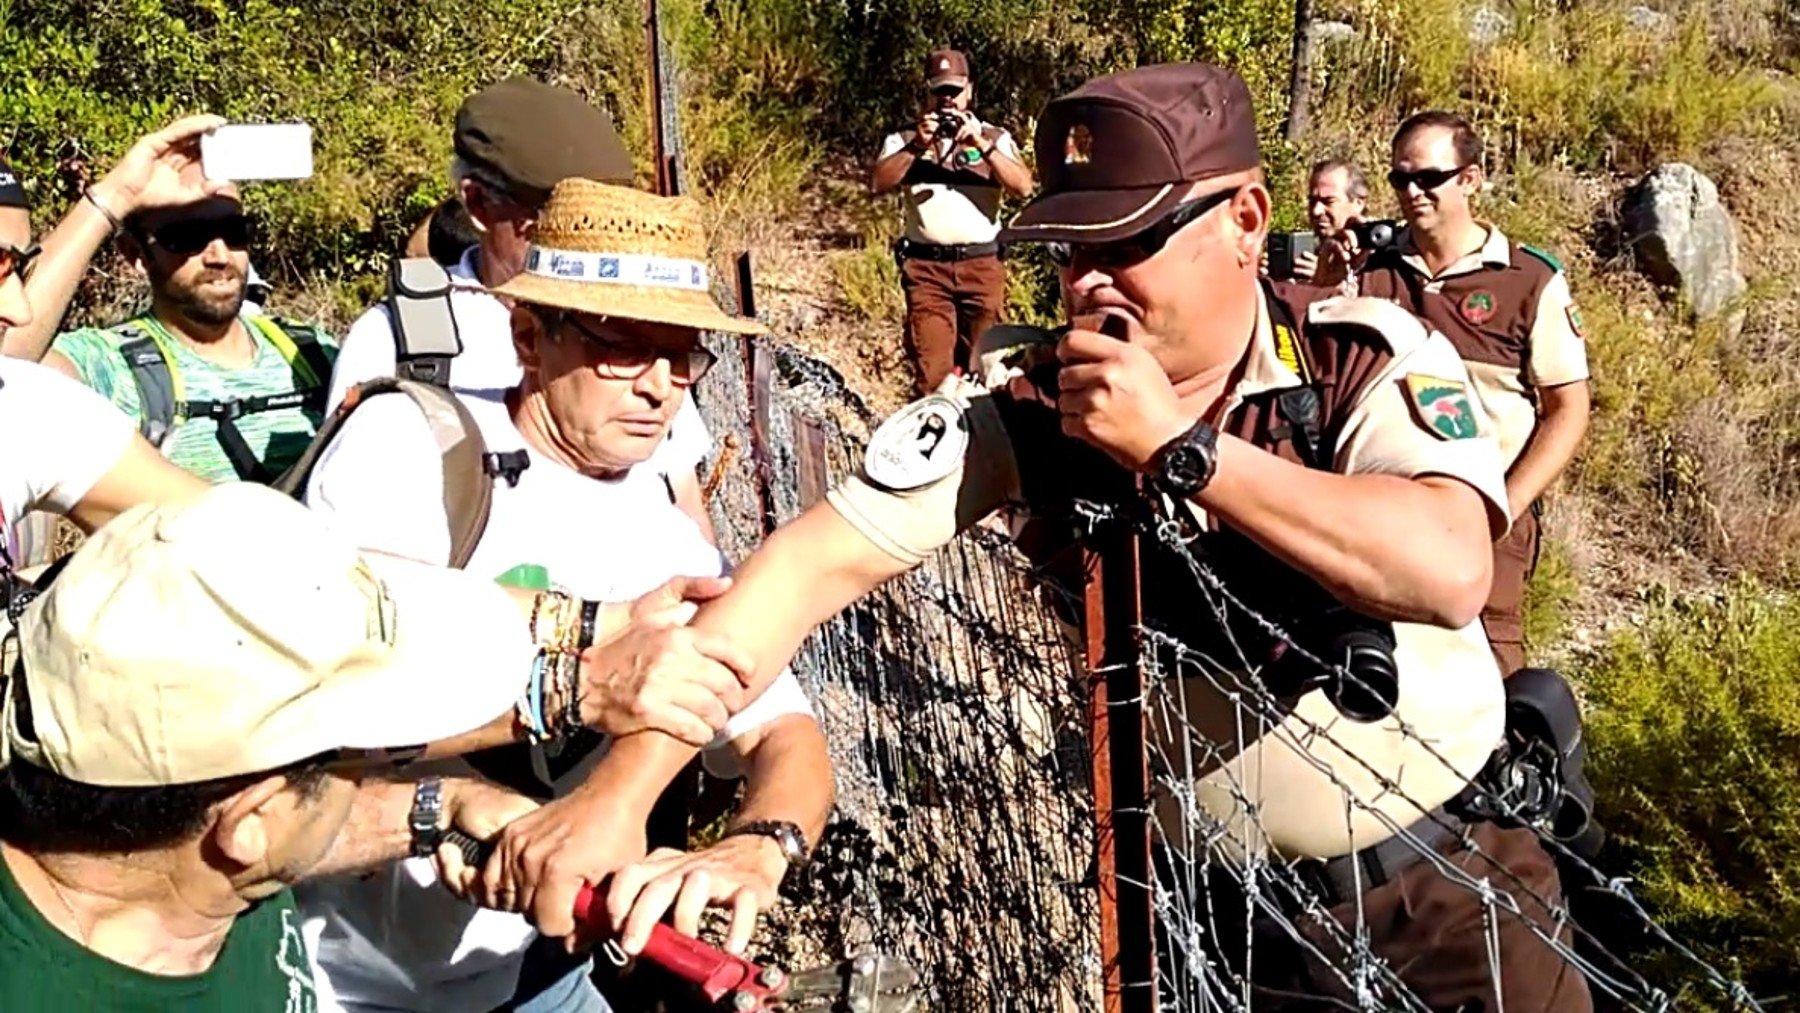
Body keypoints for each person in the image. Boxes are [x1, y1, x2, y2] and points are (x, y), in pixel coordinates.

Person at [543, 64, 1593, 1009]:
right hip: (1218, 917)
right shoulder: (1042, 402)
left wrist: (1181, 449)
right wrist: (622, 796)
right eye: (1071, 249)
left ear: (1246, 219)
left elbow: (1450, 565)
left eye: (1130, 240)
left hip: (1445, 890)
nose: (1089, 282)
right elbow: (806, 571)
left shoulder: (1350, 359)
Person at [299, 178, 832, 1013]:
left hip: (534, 978)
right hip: (328, 976)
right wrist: (570, 695)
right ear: (527, 337)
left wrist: (756, 844)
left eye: (683, 352)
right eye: (623, 345)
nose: (661, 385)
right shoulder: (410, 450)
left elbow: (787, 734)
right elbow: (320, 698)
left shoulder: (666, 541)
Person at [0, 484, 552, 1012]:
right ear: (254, 819)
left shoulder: (157, 850)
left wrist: (435, 811)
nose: (366, 776)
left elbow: (222, 833)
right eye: (358, 757)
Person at [326, 77, 718, 541]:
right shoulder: (397, 338)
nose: (579, 239)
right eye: (553, 217)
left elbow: (682, 498)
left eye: (602, 218)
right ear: (477, 203)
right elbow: (354, 561)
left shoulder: (648, 332)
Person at [1354, 111, 1591, 675]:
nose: (1412, 193)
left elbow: (1569, 408)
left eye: (1429, 178)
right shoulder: (1372, 270)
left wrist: (1504, 509)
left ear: (1471, 179)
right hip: (1383, 512)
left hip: (1484, 514)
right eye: (1399, 179)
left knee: (1487, 676)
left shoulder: (1528, 280)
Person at [871, 48, 1034, 395]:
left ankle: (987, 444)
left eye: (954, 91)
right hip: (927, 272)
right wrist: (918, 145)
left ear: (970, 91)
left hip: (982, 267)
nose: (947, 101)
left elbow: (1023, 186)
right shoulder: (903, 140)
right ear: (927, 92)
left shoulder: (994, 138)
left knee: (989, 369)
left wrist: (980, 145)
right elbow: (878, 182)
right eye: (939, 91)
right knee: (933, 375)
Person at [1296, 158, 1370, 286]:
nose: (1316, 211)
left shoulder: (1379, 260)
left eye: (1329, 202)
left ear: (1358, 203)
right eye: (1312, 201)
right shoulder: (1304, 256)